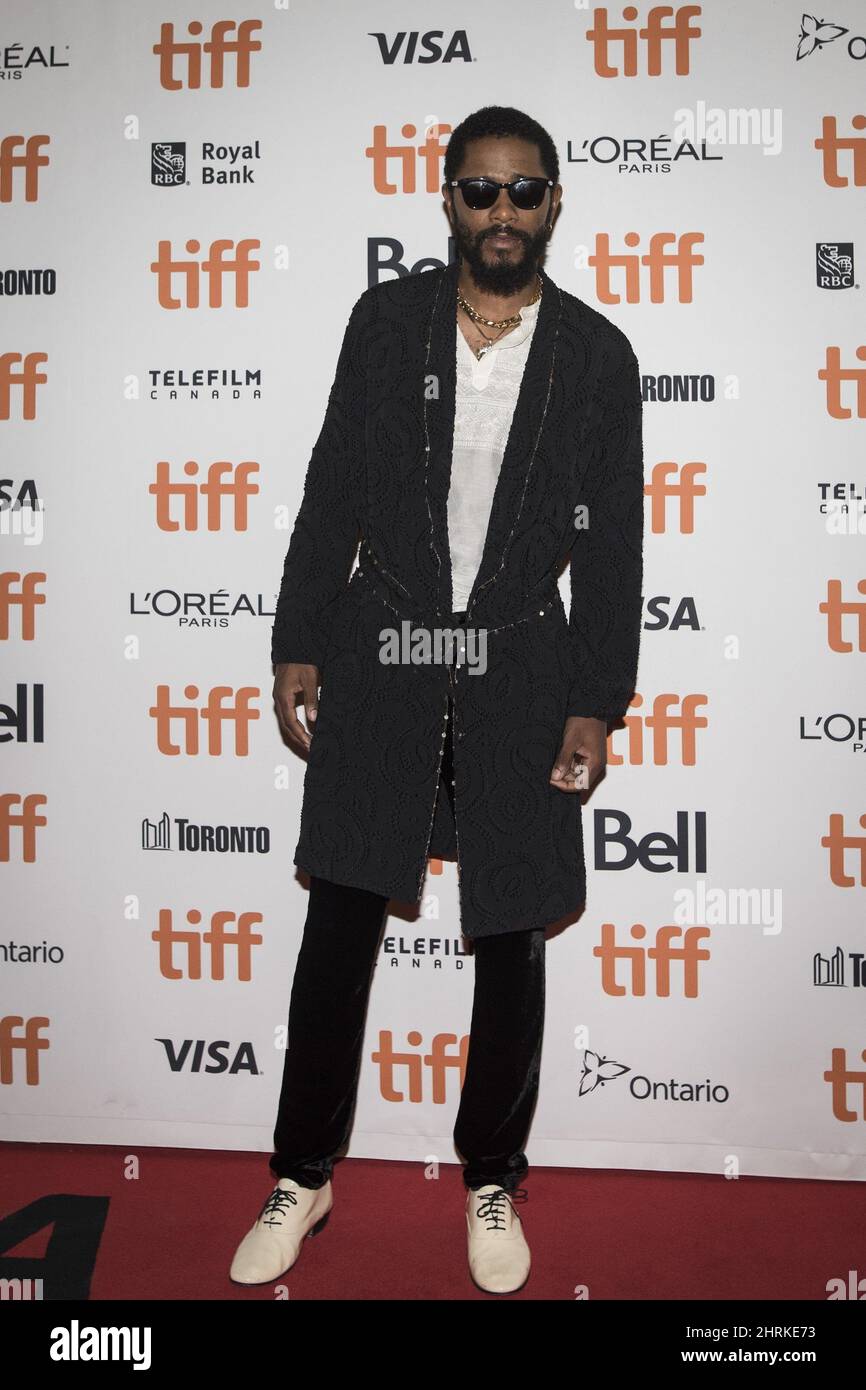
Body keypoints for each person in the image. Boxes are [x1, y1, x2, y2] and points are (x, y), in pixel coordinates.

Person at [230, 105, 644, 1295]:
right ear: (445, 198)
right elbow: (327, 487)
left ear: (554, 201)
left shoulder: (594, 356)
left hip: (520, 658)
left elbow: (611, 544)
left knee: (510, 931)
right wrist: (300, 635)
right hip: (380, 645)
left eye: (523, 192)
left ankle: (491, 1177)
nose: (500, 213)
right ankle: (301, 1176)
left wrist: (595, 698)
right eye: (479, 190)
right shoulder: (384, 320)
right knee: (342, 917)